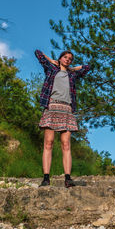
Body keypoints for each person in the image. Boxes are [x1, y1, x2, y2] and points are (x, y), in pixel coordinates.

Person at [34, 49, 90, 188]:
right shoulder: (51, 69)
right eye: (65, 57)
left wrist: (72, 68)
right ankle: (46, 178)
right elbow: (38, 53)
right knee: (49, 143)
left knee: (66, 144)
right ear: (60, 58)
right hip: (52, 106)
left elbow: (87, 67)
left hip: (67, 109)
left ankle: (68, 178)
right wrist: (52, 61)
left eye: (70, 59)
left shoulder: (72, 75)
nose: (67, 60)